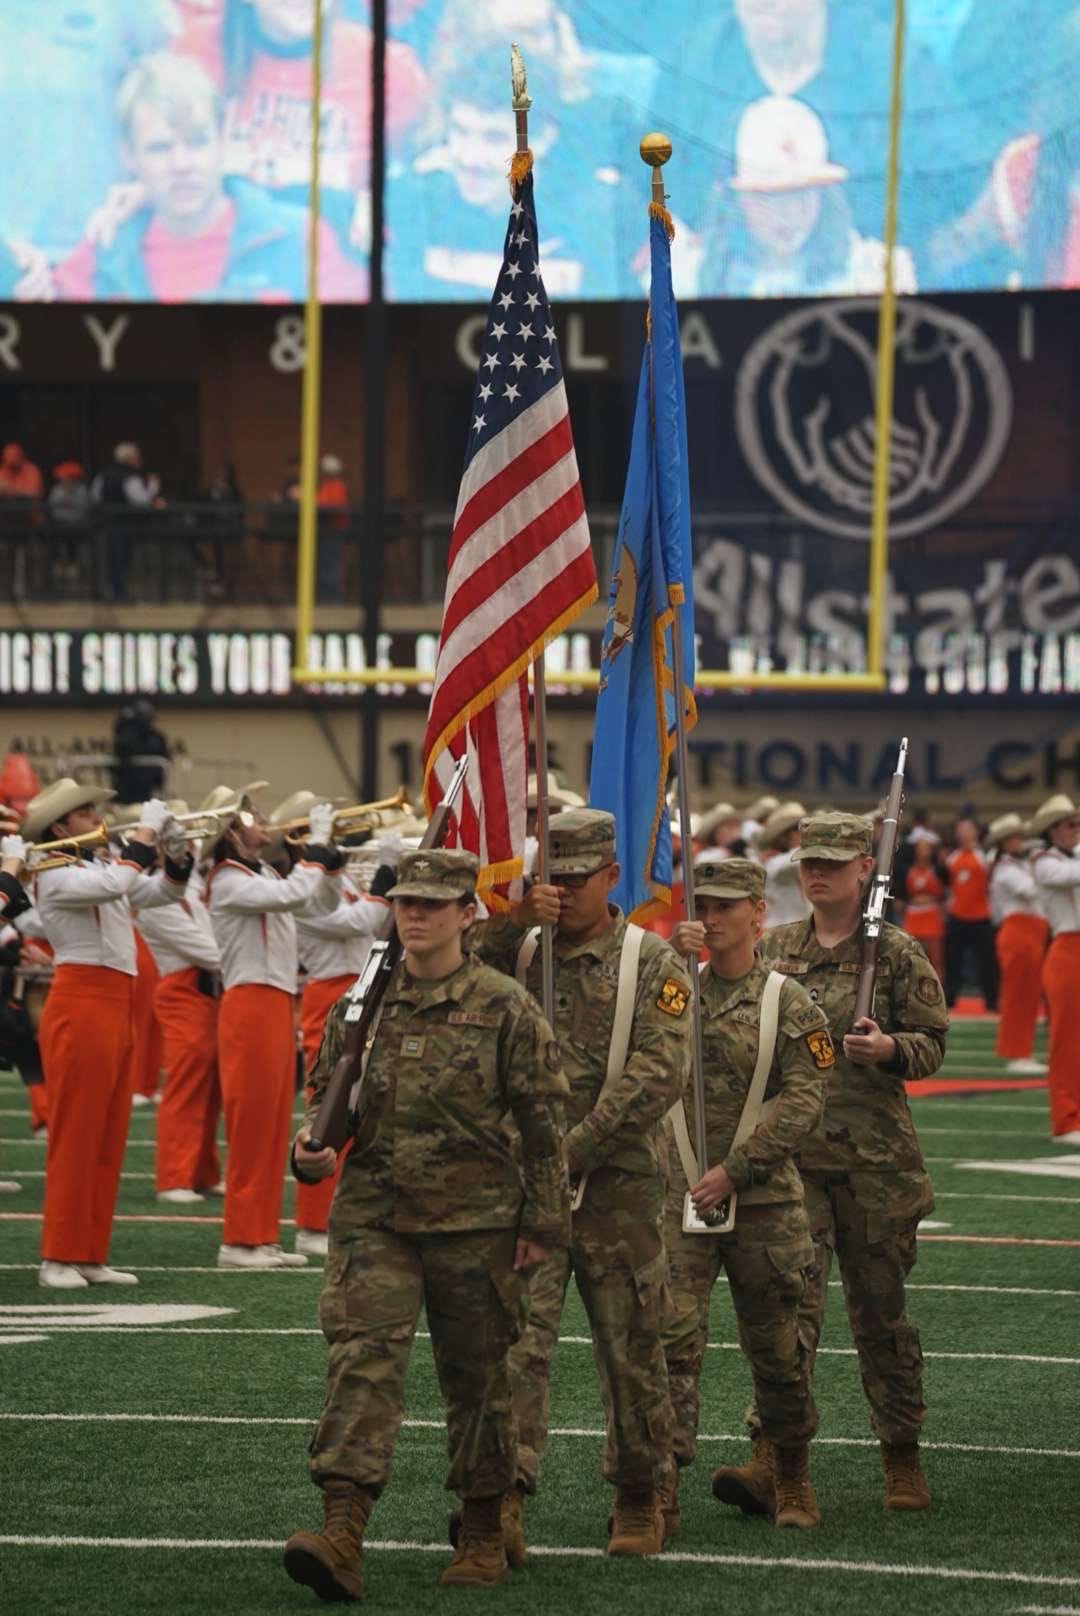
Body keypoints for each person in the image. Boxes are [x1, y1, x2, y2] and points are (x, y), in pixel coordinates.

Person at [284, 849, 570, 1600]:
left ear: (468, 915)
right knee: (360, 1364)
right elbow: (326, 1103)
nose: (415, 914)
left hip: (477, 1223)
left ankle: (481, 1528)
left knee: (478, 1380)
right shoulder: (363, 1002)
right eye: (406, 902)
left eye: (433, 904)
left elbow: (543, 1126)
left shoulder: (505, 1004)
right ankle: (342, 1529)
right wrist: (309, 1153)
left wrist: (544, 1223)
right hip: (374, 1216)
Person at [470, 807, 693, 1559]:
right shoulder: (522, 952)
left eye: (577, 879)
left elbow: (659, 1072)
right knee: (515, 1348)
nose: (564, 892)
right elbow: (456, 977)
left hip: (619, 1185)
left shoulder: (651, 962)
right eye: (552, 879)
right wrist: (509, 923)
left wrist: (578, 1147)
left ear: (610, 877)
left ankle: (639, 1492)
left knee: (630, 1345)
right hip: (527, 1189)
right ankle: (503, 1498)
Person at [723, 812, 947, 1513]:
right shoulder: (775, 949)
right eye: (807, 861)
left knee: (881, 1318)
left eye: (833, 862)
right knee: (788, 1317)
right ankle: (773, 1456)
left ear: (864, 869)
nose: (815, 873)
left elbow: (933, 1043)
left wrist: (890, 1050)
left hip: (878, 1168)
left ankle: (901, 1456)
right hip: (792, 1166)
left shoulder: (899, 953)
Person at [664, 858, 830, 1531]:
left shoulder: (786, 999)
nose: (713, 917)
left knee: (779, 1349)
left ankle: (789, 1476)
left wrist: (738, 1167)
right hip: (681, 1197)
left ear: (759, 914)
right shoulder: (675, 990)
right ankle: (659, 1485)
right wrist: (668, 974)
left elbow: (809, 1095)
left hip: (762, 1200)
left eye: (728, 906)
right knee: (669, 1347)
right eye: (704, 904)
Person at [21, 779, 188, 1288]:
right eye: (85, 812)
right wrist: (144, 833)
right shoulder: (51, 871)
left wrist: (177, 852)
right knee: (76, 1132)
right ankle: (57, 1256)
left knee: (109, 1132)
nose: (96, 817)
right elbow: (120, 883)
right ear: (58, 826)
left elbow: (163, 892)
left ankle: (89, 1251)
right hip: (81, 998)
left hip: (117, 999)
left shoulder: (97, 866)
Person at [53, 52, 366, 304]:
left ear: (223, 139)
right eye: (160, 148)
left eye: (198, 142)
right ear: (129, 157)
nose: (182, 164)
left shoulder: (299, 239)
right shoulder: (103, 256)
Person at [206, 790, 343, 1268]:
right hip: (249, 1002)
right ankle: (238, 1240)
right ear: (230, 832)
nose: (264, 820)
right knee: (249, 1126)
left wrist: (332, 864)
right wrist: (317, 848)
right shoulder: (226, 879)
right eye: (251, 816)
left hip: (276, 999)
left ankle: (261, 1236)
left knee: (270, 1125)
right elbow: (294, 894)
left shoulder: (263, 873)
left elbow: (319, 906)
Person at [265, 789, 395, 1257]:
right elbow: (360, 921)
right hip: (328, 994)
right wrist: (386, 872)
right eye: (325, 826)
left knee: (359, 1103)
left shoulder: (329, 881)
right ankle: (310, 1225)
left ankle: (335, 1216)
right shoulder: (300, 889)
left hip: (356, 989)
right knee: (328, 1102)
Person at [702, 97, 917, 298]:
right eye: (772, 196)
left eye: (805, 193)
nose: (791, 213)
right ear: (739, 200)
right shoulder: (688, 275)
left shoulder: (878, 276)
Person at [134, 817, 224, 1203]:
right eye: (178, 843)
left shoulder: (193, 887)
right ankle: (173, 1176)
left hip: (208, 988)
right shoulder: (155, 896)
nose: (189, 847)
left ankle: (202, 1170)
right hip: (183, 988)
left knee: (212, 1088)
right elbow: (202, 948)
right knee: (186, 1085)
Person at [1030, 795, 1080, 1144]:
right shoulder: (1043, 860)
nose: (1075, 830)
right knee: (1066, 1039)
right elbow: (1066, 877)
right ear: (1052, 830)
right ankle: (1065, 1119)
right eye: (1069, 824)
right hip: (1066, 950)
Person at [987, 812, 1048, 1075]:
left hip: (1032, 932)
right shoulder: (1005, 869)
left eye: (1019, 837)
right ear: (1002, 843)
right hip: (1019, 932)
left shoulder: (1017, 865)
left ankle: (1021, 1051)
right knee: (1017, 996)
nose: (1019, 841)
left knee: (1029, 995)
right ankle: (1016, 1054)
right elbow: (1032, 890)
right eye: (1013, 838)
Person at [91, 443, 162, 604]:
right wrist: (153, 487)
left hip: (105, 523)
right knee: (121, 560)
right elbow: (141, 501)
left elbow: (95, 496)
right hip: (124, 524)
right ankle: (120, 594)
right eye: (137, 457)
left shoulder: (103, 474)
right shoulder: (130, 476)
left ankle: (105, 593)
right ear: (130, 459)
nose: (140, 461)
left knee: (107, 560)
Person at [944, 816, 998, 1010]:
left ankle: (992, 1000)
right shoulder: (952, 858)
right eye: (960, 829)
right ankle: (949, 999)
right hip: (957, 916)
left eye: (967, 829)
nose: (962, 833)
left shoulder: (984, 858)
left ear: (975, 832)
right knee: (953, 961)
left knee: (987, 962)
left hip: (981, 916)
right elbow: (947, 887)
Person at [756, 801, 811, 929]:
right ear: (789, 835)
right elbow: (799, 857)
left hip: (796, 930)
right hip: (781, 932)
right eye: (800, 830)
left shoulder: (776, 861)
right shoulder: (775, 863)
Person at [902, 833, 947, 979]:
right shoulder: (907, 869)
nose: (924, 851)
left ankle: (940, 993)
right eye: (921, 847)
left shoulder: (938, 869)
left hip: (931, 914)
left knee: (936, 959)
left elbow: (945, 891)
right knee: (910, 957)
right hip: (913, 915)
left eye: (927, 847)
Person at [112, 700, 170, 804]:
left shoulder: (157, 738)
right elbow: (121, 748)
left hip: (147, 793)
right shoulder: (126, 736)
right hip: (124, 793)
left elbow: (164, 762)